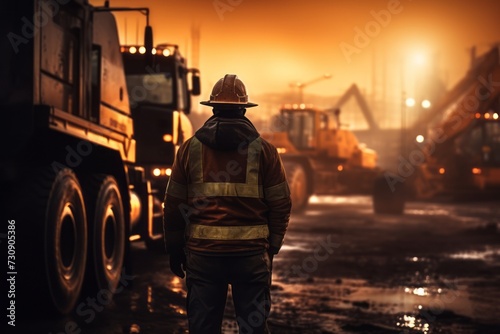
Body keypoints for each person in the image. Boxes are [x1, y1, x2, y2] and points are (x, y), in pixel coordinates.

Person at [163, 74, 292, 333]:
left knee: (203, 327)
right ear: (244, 108)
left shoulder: (189, 149)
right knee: (253, 328)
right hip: (251, 256)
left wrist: (174, 249)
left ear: (212, 107)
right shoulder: (265, 151)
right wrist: (272, 247)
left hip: (203, 256)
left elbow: (173, 205)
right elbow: (281, 203)